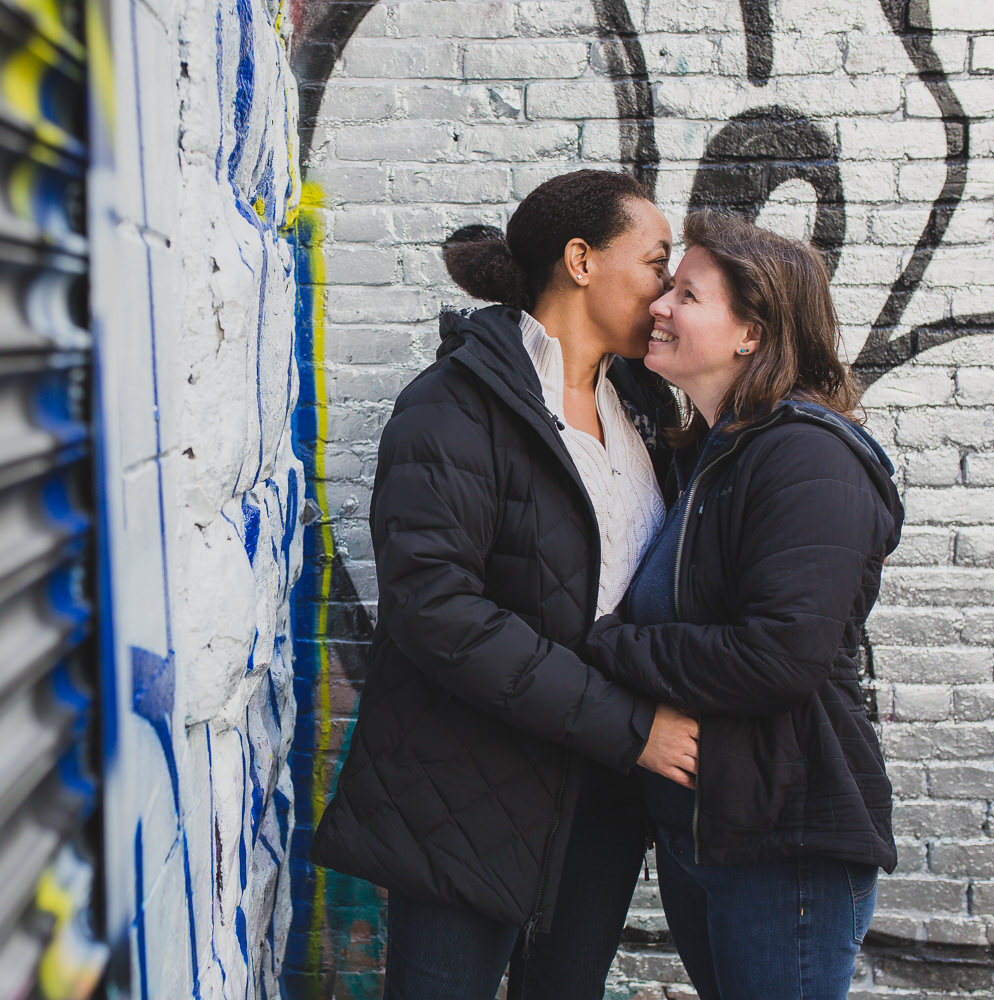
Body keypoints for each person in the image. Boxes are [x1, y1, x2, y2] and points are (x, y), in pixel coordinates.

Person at [310, 169, 701, 1000]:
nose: (667, 292)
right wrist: (633, 726)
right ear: (580, 260)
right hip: (470, 792)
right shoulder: (451, 409)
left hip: (600, 797)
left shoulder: (637, 408)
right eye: (656, 262)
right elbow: (436, 611)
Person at [581, 211, 904, 1000]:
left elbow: (779, 655)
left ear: (750, 335)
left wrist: (605, 646)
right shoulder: (718, 453)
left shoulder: (806, 456)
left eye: (686, 294)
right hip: (714, 830)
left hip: (784, 844)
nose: (659, 303)